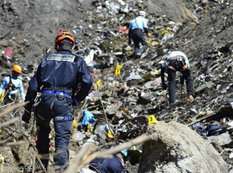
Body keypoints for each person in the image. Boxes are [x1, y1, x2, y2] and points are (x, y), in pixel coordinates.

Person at [22, 30, 93, 171]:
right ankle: (60, 170)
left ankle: (40, 169)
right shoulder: (78, 61)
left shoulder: (46, 60)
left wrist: (27, 111)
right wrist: (77, 99)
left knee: (42, 136)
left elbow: (33, 86)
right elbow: (87, 81)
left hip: (44, 101)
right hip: (64, 102)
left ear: (57, 45)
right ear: (72, 47)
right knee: (61, 142)